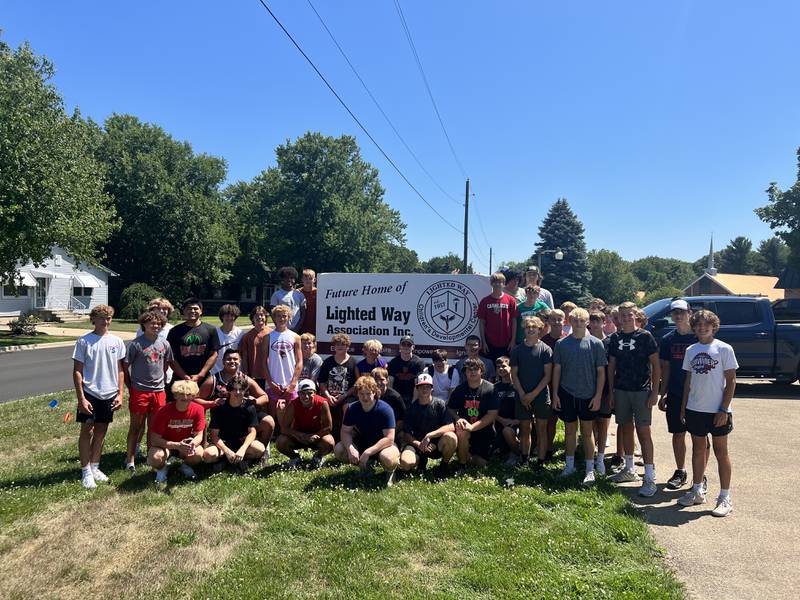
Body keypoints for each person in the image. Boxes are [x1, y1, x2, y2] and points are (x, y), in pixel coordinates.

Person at [678, 310, 738, 517]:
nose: (702, 328)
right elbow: (688, 381)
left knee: (721, 452)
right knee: (698, 449)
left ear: (714, 326)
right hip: (695, 409)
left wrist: (723, 408)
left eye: (706, 325)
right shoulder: (691, 350)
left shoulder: (724, 349)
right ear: (693, 327)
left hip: (718, 411)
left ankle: (724, 497)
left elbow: (731, 380)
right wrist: (684, 406)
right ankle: (696, 490)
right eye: (698, 325)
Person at [607, 302, 661, 497]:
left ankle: (649, 476)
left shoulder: (645, 337)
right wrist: (611, 392)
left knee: (643, 432)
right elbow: (611, 367)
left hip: (642, 391)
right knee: (626, 428)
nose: (626, 318)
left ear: (636, 315)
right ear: (618, 318)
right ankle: (629, 469)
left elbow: (656, 366)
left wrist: (655, 392)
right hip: (621, 390)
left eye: (630, 315)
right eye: (623, 315)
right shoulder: (614, 338)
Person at [124, 310, 187, 473]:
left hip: (159, 391)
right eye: (152, 323)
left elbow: (167, 363)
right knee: (135, 427)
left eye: (159, 323)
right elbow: (124, 366)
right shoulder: (136, 344)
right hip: (140, 391)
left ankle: (150, 456)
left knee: (155, 428)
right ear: (144, 324)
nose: (155, 326)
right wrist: (130, 386)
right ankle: (130, 459)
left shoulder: (164, 344)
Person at [72, 304, 126, 489]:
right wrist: (81, 399)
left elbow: (120, 370)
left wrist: (120, 394)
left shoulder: (117, 341)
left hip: (109, 393)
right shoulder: (84, 341)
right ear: (93, 319)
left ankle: (95, 466)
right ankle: (85, 471)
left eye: (109, 317)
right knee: (87, 431)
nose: (106, 321)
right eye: (102, 317)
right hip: (90, 393)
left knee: (102, 430)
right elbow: (77, 372)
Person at [551, 308, 607, 485]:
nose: (578, 324)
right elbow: (557, 370)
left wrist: (598, 396)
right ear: (569, 322)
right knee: (569, 432)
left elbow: (601, 373)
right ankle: (569, 466)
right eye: (575, 320)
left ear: (587, 322)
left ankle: (590, 469)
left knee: (588, 433)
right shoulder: (561, 344)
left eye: (581, 321)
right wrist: (555, 394)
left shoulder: (596, 344)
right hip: (566, 393)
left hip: (588, 394)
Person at [658, 299, 706, 491]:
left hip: (698, 395)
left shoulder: (699, 337)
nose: (678, 316)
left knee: (700, 437)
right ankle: (681, 471)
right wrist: (663, 394)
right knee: (678, 434)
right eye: (674, 313)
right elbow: (666, 368)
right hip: (676, 393)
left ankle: (700, 477)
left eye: (682, 312)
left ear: (689, 313)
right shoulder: (668, 339)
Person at [199, 348, 273, 453]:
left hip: (244, 419)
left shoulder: (245, 379)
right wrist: (211, 403)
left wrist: (254, 402)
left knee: (268, 421)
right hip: (223, 421)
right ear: (223, 362)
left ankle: (260, 453)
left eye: (235, 359)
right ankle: (223, 454)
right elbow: (196, 399)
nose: (232, 361)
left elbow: (264, 397)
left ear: (240, 361)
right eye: (229, 359)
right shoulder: (214, 380)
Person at [335, 375, 400, 487]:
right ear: (357, 394)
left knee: (389, 459)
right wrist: (350, 448)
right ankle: (367, 468)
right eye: (361, 394)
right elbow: (345, 431)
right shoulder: (352, 408)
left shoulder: (385, 409)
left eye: (368, 393)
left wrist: (368, 452)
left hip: (383, 446)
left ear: (374, 392)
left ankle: (390, 472)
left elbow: (389, 438)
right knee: (339, 449)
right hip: (362, 442)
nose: (365, 398)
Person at [510, 316, 552, 467]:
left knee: (541, 429)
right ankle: (524, 458)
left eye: (534, 327)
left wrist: (532, 395)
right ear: (524, 329)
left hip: (540, 394)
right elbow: (514, 374)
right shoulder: (517, 350)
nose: (531, 329)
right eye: (528, 327)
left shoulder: (546, 349)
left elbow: (548, 376)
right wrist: (522, 394)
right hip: (522, 395)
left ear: (539, 329)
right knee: (524, 428)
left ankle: (540, 461)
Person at [203, 373, 266, 473]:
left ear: (245, 390)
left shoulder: (249, 407)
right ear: (229, 390)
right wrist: (227, 451)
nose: (237, 392)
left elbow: (252, 432)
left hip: (242, 442)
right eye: (234, 389)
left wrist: (243, 449)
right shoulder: (220, 407)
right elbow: (214, 435)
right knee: (208, 455)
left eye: (241, 389)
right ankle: (229, 460)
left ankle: (239, 460)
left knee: (260, 449)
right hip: (224, 443)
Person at [147, 380, 206, 483]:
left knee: (198, 453)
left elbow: (199, 435)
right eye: (181, 394)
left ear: (194, 396)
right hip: (165, 446)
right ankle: (162, 468)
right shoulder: (163, 411)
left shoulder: (198, 409)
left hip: (185, 446)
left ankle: (185, 466)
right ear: (175, 395)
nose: (185, 397)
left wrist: (191, 444)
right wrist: (177, 445)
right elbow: (154, 440)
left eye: (189, 394)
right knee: (155, 457)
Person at [399, 373, 457, 472]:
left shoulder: (440, 404)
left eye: (427, 387)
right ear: (417, 389)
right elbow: (406, 434)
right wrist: (419, 444)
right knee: (405, 464)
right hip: (418, 445)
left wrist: (430, 436)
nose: (424, 389)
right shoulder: (411, 408)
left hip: (436, 444)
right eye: (421, 387)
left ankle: (444, 465)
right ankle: (421, 460)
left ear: (432, 389)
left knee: (451, 437)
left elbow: (451, 426)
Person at [448, 358, 498, 467]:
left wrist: (473, 427)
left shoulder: (491, 389)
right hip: (465, 429)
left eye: (476, 369)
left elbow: (492, 414)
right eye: (469, 370)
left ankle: (466, 456)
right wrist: (458, 418)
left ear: (482, 371)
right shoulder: (459, 389)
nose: (472, 372)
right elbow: (450, 409)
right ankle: (462, 465)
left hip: (484, 431)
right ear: (465, 372)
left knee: (480, 463)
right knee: (463, 432)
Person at [276, 379, 334, 469]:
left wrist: (316, 435)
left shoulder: (322, 403)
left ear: (315, 393)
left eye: (310, 393)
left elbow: (328, 427)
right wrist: (299, 435)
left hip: (316, 436)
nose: (306, 396)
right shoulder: (293, 404)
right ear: (298, 394)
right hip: (298, 437)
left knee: (329, 442)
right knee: (281, 442)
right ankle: (295, 458)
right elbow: (284, 428)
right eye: (302, 393)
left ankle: (318, 457)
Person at [166, 297, 220, 388]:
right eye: (189, 308)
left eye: (195, 308)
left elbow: (214, 354)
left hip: (204, 378)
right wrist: (183, 375)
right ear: (184, 311)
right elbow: (171, 357)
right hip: (180, 378)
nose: (192, 311)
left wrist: (201, 374)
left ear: (201, 311)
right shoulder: (174, 331)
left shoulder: (211, 330)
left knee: (202, 402)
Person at [264, 305, 303, 426]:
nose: (281, 319)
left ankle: (288, 436)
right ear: (274, 318)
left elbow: (299, 362)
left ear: (289, 318)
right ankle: (270, 438)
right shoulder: (268, 337)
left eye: (284, 316)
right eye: (278, 316)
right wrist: (271, 383)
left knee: (291, 414)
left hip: (290, 382)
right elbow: (263, 362)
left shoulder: (295, 337)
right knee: (271, 414)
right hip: (273, 381)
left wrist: (292, 384)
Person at [587, 311, 613, 476]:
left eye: (598, 321)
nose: (595, 324)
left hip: (606, 389)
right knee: (591, 423)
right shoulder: (586, 341)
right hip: (588, 387)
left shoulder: (610, 342)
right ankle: (591, 454)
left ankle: (601, 458)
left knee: (603, 423)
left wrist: (611, 391)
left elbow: (613, 367)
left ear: (604, 322)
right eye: (593, 321)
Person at [319, 333, 358, 439]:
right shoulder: (327, 362)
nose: (340, 346)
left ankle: (346, 436)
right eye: (337, 344)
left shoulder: (353, 362)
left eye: (343, 344)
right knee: (322, 404)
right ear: (334, 346)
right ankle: (325, 435)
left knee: (348, 407)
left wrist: (344, 396)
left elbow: (356, 384)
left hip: (346, 396)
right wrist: (328, 396)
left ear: (348, 346)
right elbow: (321, 382)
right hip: (329, 396)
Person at [477, 271, 518, 361]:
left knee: (505, 369)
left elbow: (514, 321)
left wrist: (513, 341)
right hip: (489, 343)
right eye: (495, 282)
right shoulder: (485, 301)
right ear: (491, 284)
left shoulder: (511, 300)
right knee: (491, 370)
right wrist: (483, 342)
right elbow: (481, 323)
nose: (497, 284)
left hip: (507, 343)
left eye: (500, 282)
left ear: (504, 284)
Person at [493, 356, 522, 465]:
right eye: (498, 367)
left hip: (517, 423)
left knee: (508, 431)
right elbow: (490, 409)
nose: (501, 369)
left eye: (504, 366)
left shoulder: (518, 386)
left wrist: (516, 421)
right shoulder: (494, 388)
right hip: (499, 423)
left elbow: (528, 407)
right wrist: (502, 420)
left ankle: (518, 455)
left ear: (511, 367)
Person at [238, 305, 272, 390]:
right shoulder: (247, 336)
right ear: (252, 318)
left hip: (271, 374)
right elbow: (244, 357)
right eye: (256, 315)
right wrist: (245, 374)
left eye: (262, 315)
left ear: (266, 317)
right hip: (254, 374)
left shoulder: (273, 334)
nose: (259, 317)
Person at [387, 335, 426, 405]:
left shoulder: (419, 363)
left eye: (409, 344)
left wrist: (413, 404)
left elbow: (417, 385)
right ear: (400, 346)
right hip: (397, 397)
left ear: (413, 347)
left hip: (412, 397)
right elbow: (390, 384)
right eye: (403, 344)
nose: (406, 346)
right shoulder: (393, 363)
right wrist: (392, 400)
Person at [371, 367, 406, 441]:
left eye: (382, 380)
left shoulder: (395, 397)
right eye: (375, 380)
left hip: (391, 432)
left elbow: (402, 420)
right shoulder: (368, 395)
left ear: (387, 380)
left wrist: (389, 434)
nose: (378, 383)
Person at [270, 266, 306, 333]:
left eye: (291, 278)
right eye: (286, 277)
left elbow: (303, 313)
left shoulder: (300, 294)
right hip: (282, 329)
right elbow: (273, 314)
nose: (289, 280)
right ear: (282, 279)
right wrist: (280, 327)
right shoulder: (276, 295)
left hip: (298, 329)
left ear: (294, 280)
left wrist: (297, 328)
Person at [211, 304, 244, 375]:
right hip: (216, 371)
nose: (229, 317)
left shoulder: (240, 333)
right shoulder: (214, 332)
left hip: (235, 371)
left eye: (232, 315)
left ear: (235, 317)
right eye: (226, 315)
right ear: (222, 316)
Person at [298, 268, 318, 335]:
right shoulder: (297, 292)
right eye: (305, 278)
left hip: (316, 325)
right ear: (302, 280)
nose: (308, 280)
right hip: (301, 326)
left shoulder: (319, 292)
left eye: (310, 278)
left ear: (314, 280)